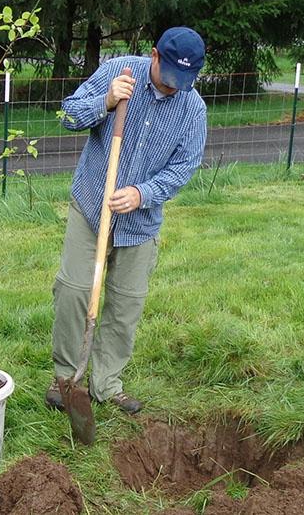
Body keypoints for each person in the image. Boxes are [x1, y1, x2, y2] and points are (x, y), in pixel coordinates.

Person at [46, 27, 207, 414]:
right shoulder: (120, 72)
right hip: (91, 206)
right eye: (169, 78)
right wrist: (105, 100)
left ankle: (105, 384)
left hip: (141, 223)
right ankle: (66, 379)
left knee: (126, 303)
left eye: (182, 82)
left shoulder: (192, 108)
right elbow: (68, 114)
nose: (174, 88)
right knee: (74, 290)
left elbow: (184, 166)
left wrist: (142, 194)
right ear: (154, 55)